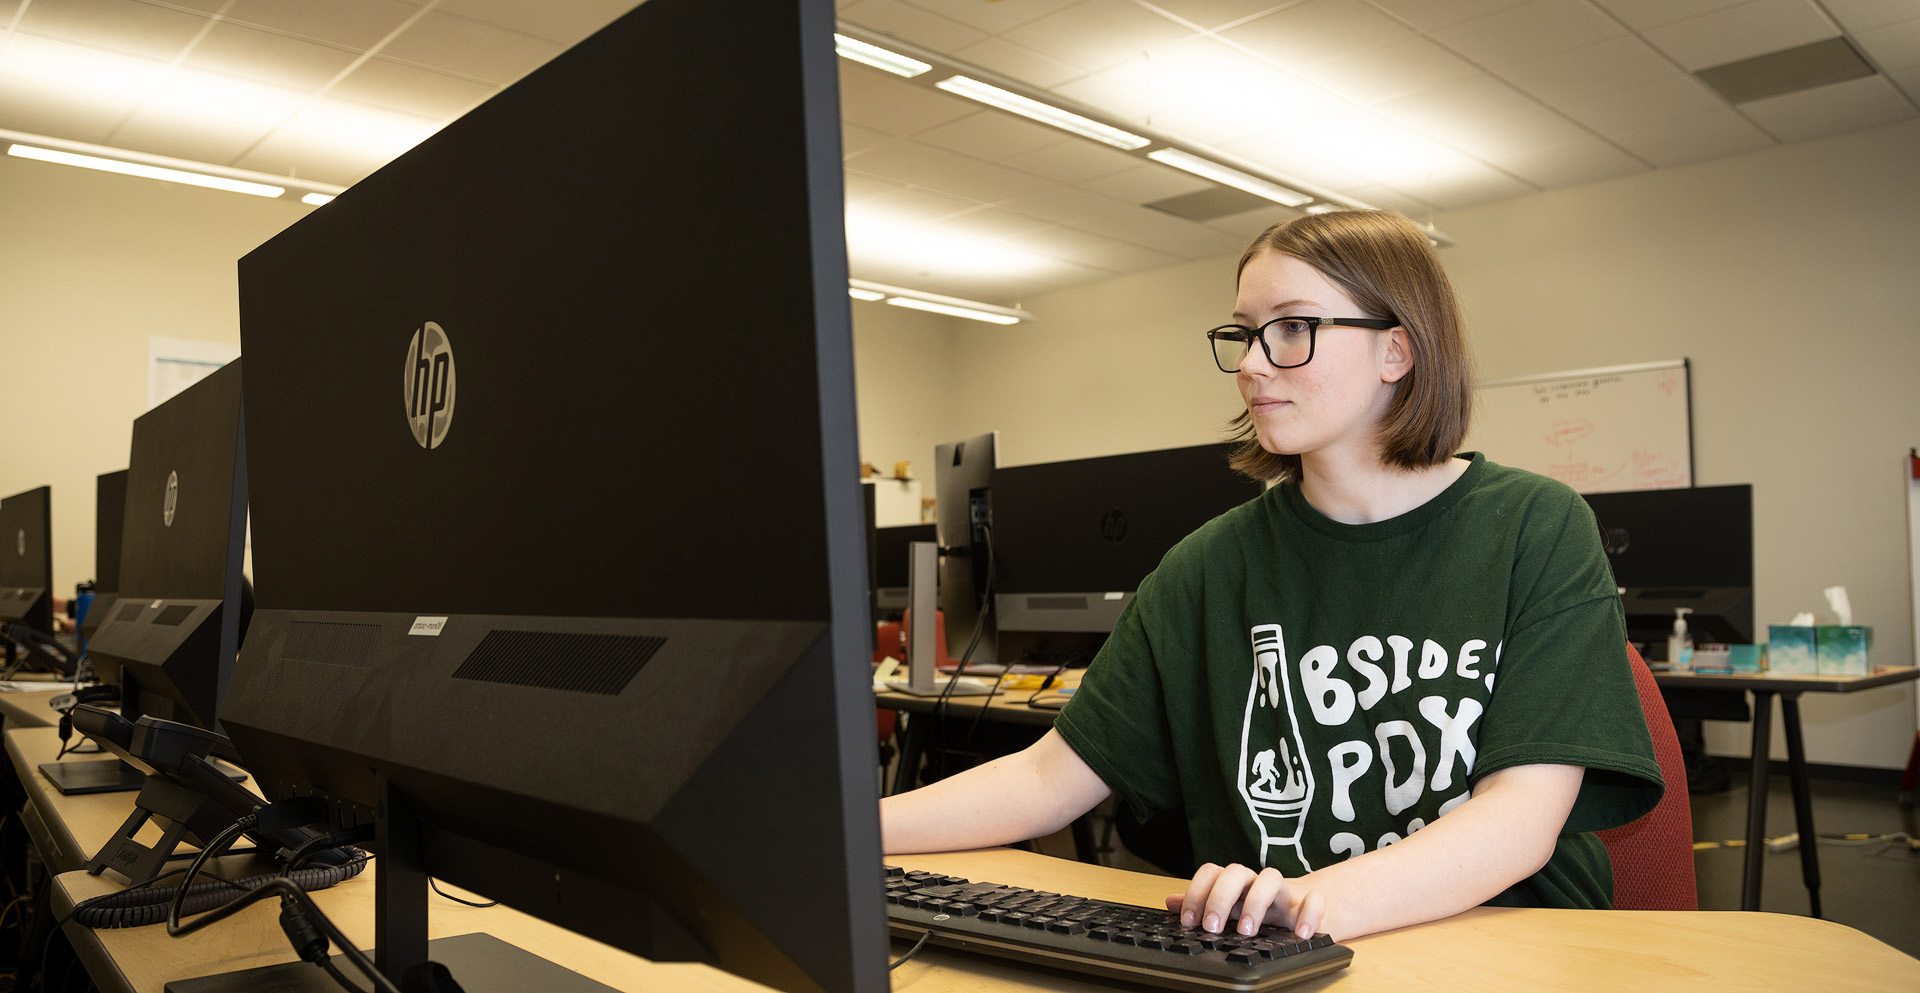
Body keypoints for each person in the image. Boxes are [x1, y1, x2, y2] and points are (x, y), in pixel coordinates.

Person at [880, 209, 1664, 943]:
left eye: (1293, 328)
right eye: (1246, 334)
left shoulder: (1535, 524)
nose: (1253, 364)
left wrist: (1314, 901)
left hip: (1506, 950)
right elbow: (1050, 777)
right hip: (1287, 959)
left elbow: (1521, 816)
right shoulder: (1208, 566)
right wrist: (849, 828)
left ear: (1398, 349)